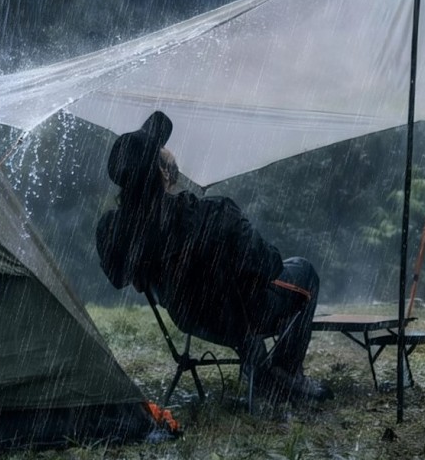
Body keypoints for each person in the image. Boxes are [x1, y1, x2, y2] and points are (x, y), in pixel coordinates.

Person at [95, 110, 331, 402]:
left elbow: (119, 277)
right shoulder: (212, 214)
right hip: (240, 314)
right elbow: (268, 265)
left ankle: (258, 361)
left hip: (190, 317)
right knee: (304, 271)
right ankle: (282, 373)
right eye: (161, 152)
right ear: (163, 174)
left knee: (241, 289)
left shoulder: (114, 231)